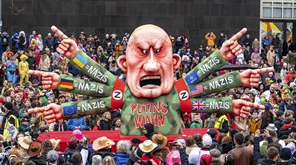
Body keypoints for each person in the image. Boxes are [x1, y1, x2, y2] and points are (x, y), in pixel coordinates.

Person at [28, 25, 269, 136]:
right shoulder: (120, 92)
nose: (152, 65)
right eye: (142, 53)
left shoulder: (179, 93)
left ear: (174, 63)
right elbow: (92, 86)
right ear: (124, 64)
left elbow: (204, 88)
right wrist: (72, 64)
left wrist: (235, 83)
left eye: (159, 53)